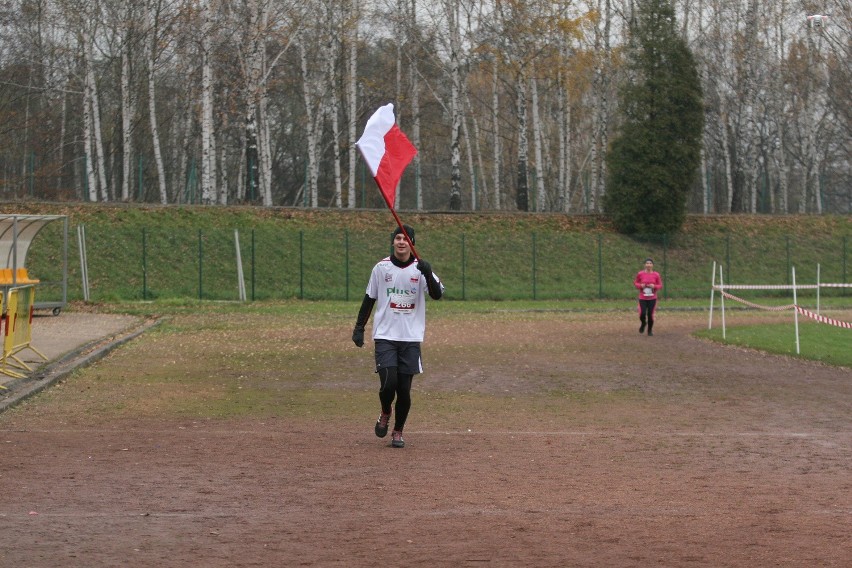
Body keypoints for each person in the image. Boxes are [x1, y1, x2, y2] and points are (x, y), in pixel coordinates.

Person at [351, 224, 443, 448]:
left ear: (412, 244)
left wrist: (428, 273)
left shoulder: (420, 269)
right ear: (393, 242)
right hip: (385, 336)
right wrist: (359, 327)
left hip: (410, 338)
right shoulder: (381, 268)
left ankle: (398, 431)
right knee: (388, 382)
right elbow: (369, 298)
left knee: (404, 390)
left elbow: (437, 294)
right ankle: (385, 411)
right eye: (398, 238)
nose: (402, 242)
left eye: (407, 239)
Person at [634, 257, 662, 336]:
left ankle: (650, 330)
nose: (648, 265)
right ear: (644, 265)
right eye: (647, 263)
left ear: (652, 265)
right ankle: (643, 323)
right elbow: (635, 283)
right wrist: (641, 285)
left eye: (650, 263)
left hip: (652, 298)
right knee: (642, 314)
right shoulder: (640, 274)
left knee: (650, 314)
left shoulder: (656, 274)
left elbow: (660, 285)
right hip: (643, 297)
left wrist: (654, 286)